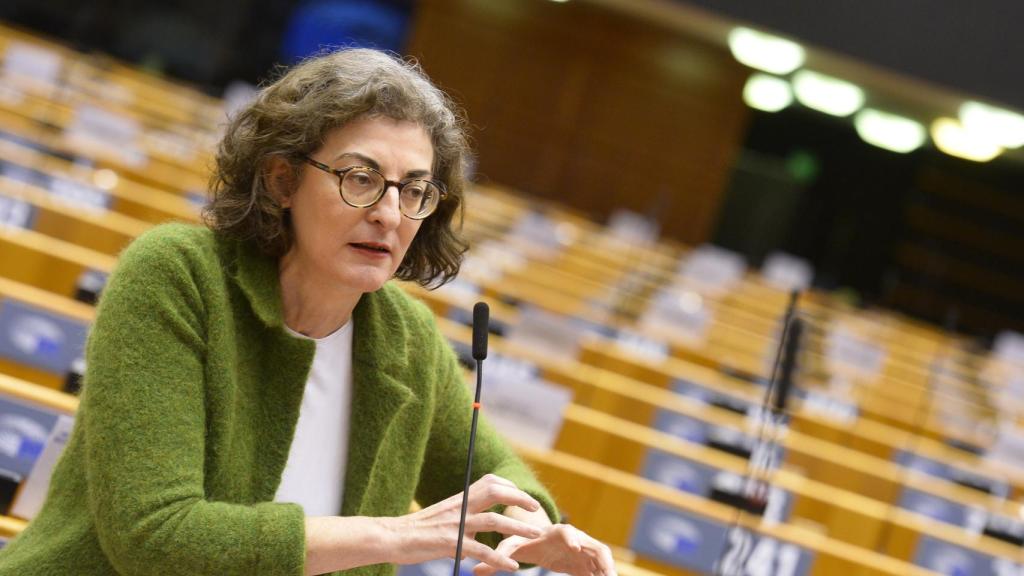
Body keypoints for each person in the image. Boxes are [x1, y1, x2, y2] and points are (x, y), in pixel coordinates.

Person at [0, 49, 616, 576]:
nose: (390, 213)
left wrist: (535, 526)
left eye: (414, 190)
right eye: (360, 178)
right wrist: (395, 537)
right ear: (282, 181)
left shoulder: (404, 337)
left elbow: (492, 477)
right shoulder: (179, 276)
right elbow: (155, 537)